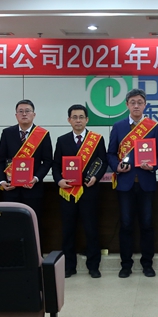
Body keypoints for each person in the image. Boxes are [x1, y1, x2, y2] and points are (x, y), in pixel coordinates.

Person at [107, 88, 158, 278]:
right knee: (126, 225)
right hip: (125, 183)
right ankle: (126, 265)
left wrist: (153, 165)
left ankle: (147, 264)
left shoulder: (153, 127)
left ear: (145, 105)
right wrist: (117, 167)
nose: (136, 105)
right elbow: (110, 153)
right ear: (127, 105)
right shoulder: (118, 126)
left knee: (147, 224)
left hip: (146, 182)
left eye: (140, 102)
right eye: (132, 102)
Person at [53, 104, 107, 278]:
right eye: (74, 117)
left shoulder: (96, 139)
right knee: (68, 230)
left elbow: (103, 162)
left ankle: (93, 266)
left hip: (89, 191)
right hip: (68, 191)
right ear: (69, 120)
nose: (78, 120)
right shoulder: (62, 140)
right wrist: (59, 180)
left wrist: (96, 177)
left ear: (87, 119)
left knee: (91, 229)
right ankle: (69, 267)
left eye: (81, 117)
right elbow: (56, 165)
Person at [0, 99, 53, 217]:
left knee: (32, 221)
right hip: (11, 188)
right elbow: (0, 159)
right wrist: (2, 181)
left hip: (33, 189)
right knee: (11, 221)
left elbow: (47, 161)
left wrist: (36, 178)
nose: (24, 114)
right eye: (20, 111)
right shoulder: (7, 133)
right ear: (16, 115)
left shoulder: (43, 134)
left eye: (27, 111)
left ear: (34, 114)